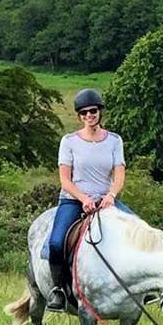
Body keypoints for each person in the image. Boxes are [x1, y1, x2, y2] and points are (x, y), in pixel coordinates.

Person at [46, 88, 134, 312]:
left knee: (139, 231)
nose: (88, 116)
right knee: (56, 243)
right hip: (74, 200)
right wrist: (83, 198)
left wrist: (110, 196)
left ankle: (136, 289)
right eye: (83, 113)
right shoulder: (69, 142)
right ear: (79, 116)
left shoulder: (114, 141)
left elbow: (119, 174)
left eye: (92, 111)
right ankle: (58, 290)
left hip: (106, 201)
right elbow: (65, 180)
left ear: (100, 112)